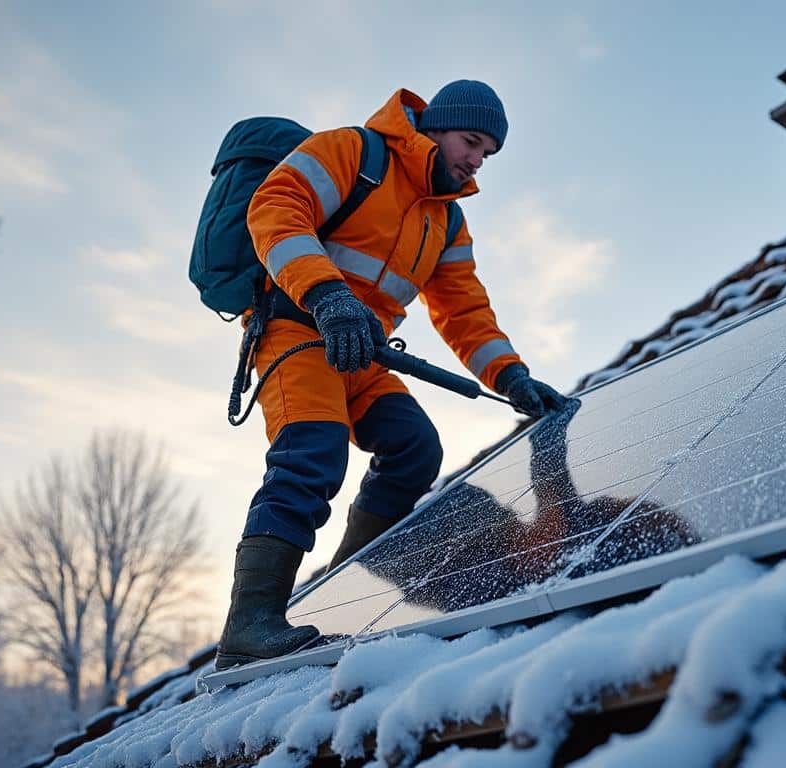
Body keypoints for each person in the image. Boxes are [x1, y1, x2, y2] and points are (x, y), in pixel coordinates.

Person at [214, 80, 567, 670]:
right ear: (435, 125)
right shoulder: (355, 152)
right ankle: (248, 624)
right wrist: (328, 295)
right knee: (313, 452)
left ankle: (341, 584)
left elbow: (464, 310)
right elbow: (276, 207)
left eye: (488, 153)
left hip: (364, 352)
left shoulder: (446, 221)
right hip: (297, 330)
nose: (478, 159)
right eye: (471, 141)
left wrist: (512, 376)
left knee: (414, 447)